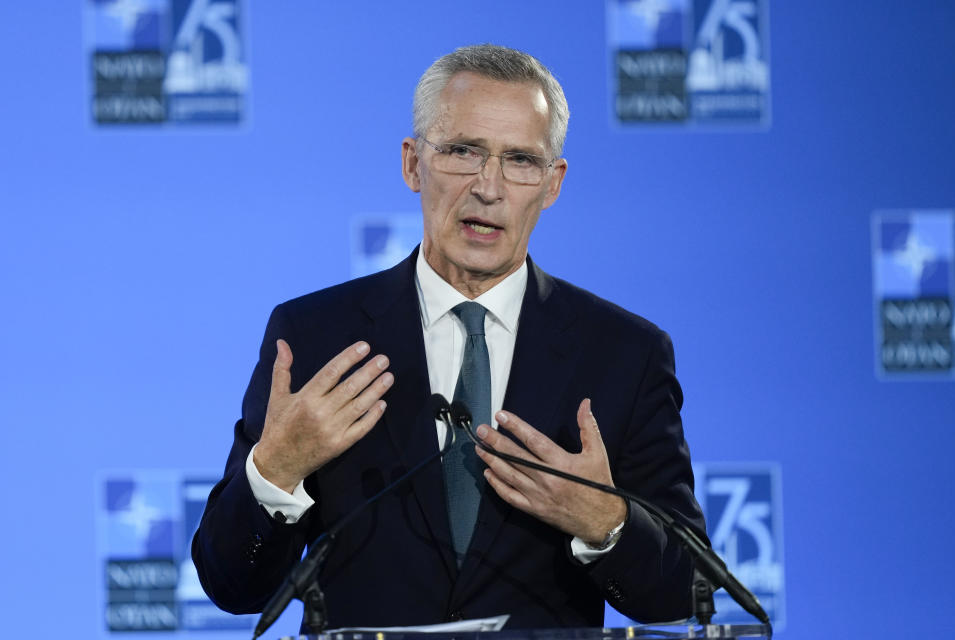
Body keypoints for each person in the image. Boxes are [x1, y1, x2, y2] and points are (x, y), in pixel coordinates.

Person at [192, 44, 706, 630]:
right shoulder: (314, 336)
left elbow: (684, 590)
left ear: (553, 182)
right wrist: (276, 468)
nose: (489, 187)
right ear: (413, 164)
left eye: (520, 160)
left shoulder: (623, 354)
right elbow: (230, 583)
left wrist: (604, 521)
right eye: (464, 151)